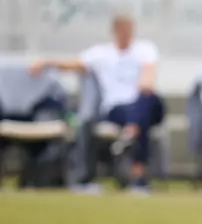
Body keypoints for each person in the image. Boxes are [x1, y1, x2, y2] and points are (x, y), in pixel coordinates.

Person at [30, 14, 164, 193]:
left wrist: (145, 85)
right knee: (141, 119)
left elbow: (148, 79)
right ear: (115, 32)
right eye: (123, 30)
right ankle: (138, 176)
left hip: (145, 103)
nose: (127, 34)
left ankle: (131, 131)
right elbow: (72, 65)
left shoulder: (145, 49)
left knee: (146, 101)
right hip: (117, 109)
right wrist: (46, 62)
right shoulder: (100, 54)